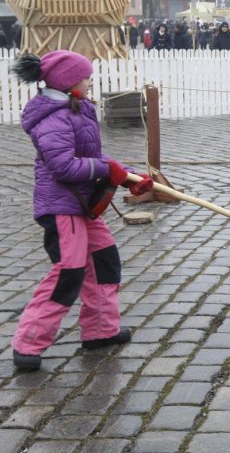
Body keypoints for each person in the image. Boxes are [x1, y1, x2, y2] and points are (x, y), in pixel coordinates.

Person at [9, 51, 154, 371]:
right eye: (86, 77)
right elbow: (63, 166)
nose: (90, 82)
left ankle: (101, 330)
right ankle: (29, 341)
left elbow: (97, 158)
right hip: (61, 208)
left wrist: (131, 176)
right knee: (68, 271)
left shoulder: (76, 109)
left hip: (82, 207)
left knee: (104, 259)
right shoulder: (53, 117)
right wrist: (108, 169)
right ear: (68, 82)